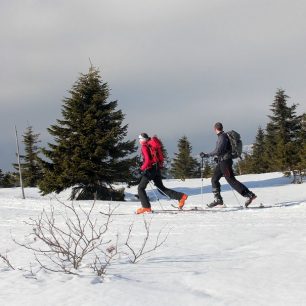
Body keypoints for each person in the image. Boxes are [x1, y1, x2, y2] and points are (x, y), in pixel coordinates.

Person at [200, 122, 257, 208]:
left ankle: (249, 195)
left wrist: (206, 155)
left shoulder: (222, 137)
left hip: (225, 162)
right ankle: (218, 199)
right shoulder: (223, 137)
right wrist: (218, 158)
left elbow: (218, 150)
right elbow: (222, 151)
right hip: (222, 161)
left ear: (215, 129)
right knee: (214, 179)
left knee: (231, 180)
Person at [136, 133, 188, 214]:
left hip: (150, 170)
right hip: (156, 168)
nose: (139, 140)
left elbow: (147, 160)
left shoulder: (145, 146)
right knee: (161, 188)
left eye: (140, 138)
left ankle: (146, 207)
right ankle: (181, 197)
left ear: (143, 139)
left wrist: (141, 169)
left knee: (140, 188)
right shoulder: (152, 144)